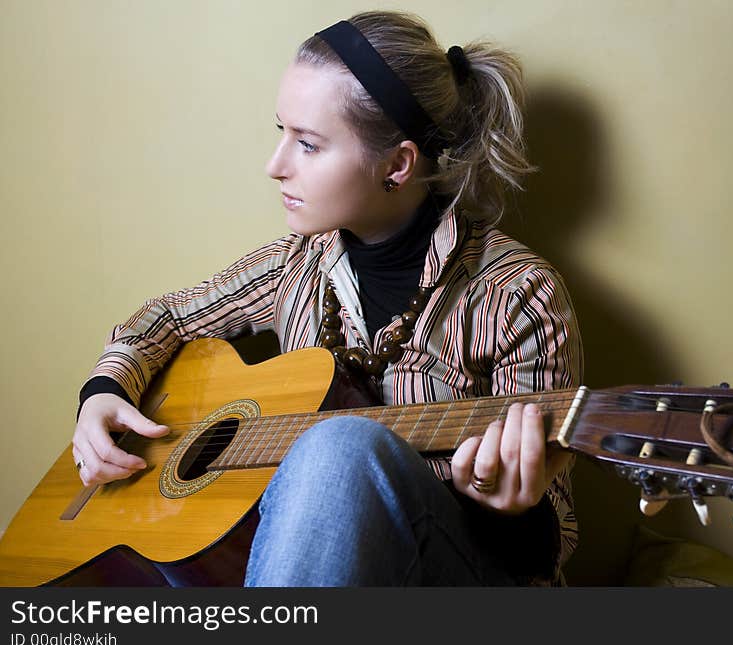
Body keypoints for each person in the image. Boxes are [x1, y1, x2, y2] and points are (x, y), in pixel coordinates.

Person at [71, 10, 584, 586]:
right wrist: (104, 390)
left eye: (308, 145)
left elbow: (548, 552)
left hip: (452, 580)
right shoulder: (296, 263)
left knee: (341, 443)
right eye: (280, 132)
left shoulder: (516, 294)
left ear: (397, 165)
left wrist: (512, 508)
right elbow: (165, 318)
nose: (275, 166)